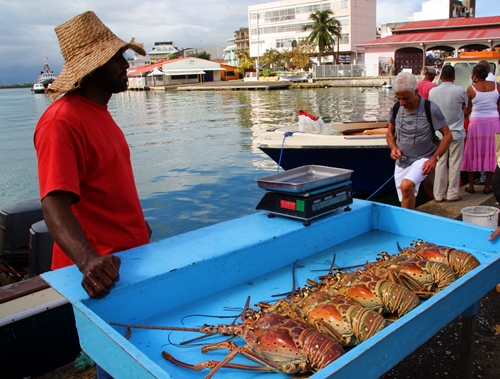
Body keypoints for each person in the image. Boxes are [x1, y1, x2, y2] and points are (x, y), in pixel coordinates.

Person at [34, 11, 151, 301]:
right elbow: (54, 204)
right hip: (97, 280)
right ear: (94, 66)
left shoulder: (99, 114)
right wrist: (88, 263)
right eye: (116, 57)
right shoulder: (61, 122)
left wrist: (138, 227)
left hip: (129, 262)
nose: (125, 64)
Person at [386, 72, 453, 209]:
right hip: (402, 160)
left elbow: (447, 135)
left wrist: (434, 158)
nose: (402, 103)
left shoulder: (431, 109)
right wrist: (393, 148)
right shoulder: (396, 108)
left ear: (416, 92)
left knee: (406, 186)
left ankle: (406, 224)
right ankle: (409, 220)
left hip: (424, 157)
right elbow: (390, 133)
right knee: (405, 195)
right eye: (399, 99)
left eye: (405, 98)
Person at [428, 65, 468, 202]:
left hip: (440, 134)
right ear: (454, 77)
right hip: (456, 133)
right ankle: (452, 194)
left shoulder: (433, 91)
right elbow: (465, 106)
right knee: (455, 165)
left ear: (441, 76)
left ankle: (438, 195)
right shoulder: (460, 90)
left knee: (440, 164)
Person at [461, 64, 500, 194]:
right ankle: (487, 185)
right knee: (491, 152)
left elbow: (467, 110)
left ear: (475, 75)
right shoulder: (497, 86)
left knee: (473, 152)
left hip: (476, 123)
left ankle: (471, 185)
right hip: (494, 122)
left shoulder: (471, 89)